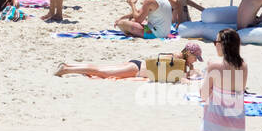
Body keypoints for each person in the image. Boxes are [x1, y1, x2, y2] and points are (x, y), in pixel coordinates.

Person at [55, 43, 203, 80]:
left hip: (138, 65)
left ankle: (69, 65)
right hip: (138, 69)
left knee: (101, 69)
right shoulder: (177, 57)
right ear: (189, 53)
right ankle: (66, 70)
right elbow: (159, 62)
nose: (195, 61)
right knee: (101, 71)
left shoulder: (181, 60)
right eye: (195, 57)